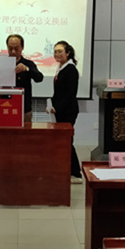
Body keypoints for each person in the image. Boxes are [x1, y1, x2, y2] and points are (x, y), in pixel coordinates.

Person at [0, 34, 44, 122]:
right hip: (2, 108)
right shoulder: (1, 63)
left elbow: (39, 78)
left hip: (24, 109)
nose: (13, 51)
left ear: (22, 47)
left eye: (16, 48)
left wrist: (27, 69)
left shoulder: (28, 64)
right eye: (10, 48)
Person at [48, 41, 82, 184]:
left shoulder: (71, 70)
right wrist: (51, 104)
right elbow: (59, 92)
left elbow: (70, 94)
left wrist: (57, 107)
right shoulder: (61, 68)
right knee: (62, 141)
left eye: (60, 51)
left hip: (68, 111)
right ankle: (65, 170)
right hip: (60, 110)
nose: (57, 54)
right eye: (55, 51)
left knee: (67, 141)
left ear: (68, 53)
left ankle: (76, 173)